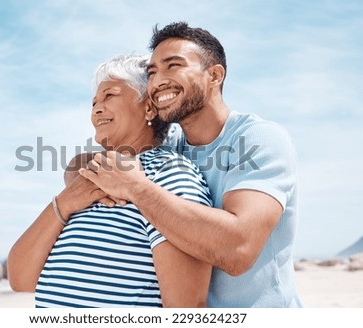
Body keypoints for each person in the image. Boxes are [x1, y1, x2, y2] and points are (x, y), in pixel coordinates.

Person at [79, 22, 302, 307]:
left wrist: (135, 188)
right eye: (152, 72)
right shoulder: (173, 145)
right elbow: (86, 162)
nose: (158, 81)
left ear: (214, 75)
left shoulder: (257, 137)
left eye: (173, 66)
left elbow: (238, 248)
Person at [7, 54, 213, 307]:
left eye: (109, 96)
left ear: (148, 107)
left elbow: (187, 307)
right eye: (94, 102)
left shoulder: (169, 174)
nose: (97, 109)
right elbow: (20, 279)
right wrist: (64, 203)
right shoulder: (89, 178)